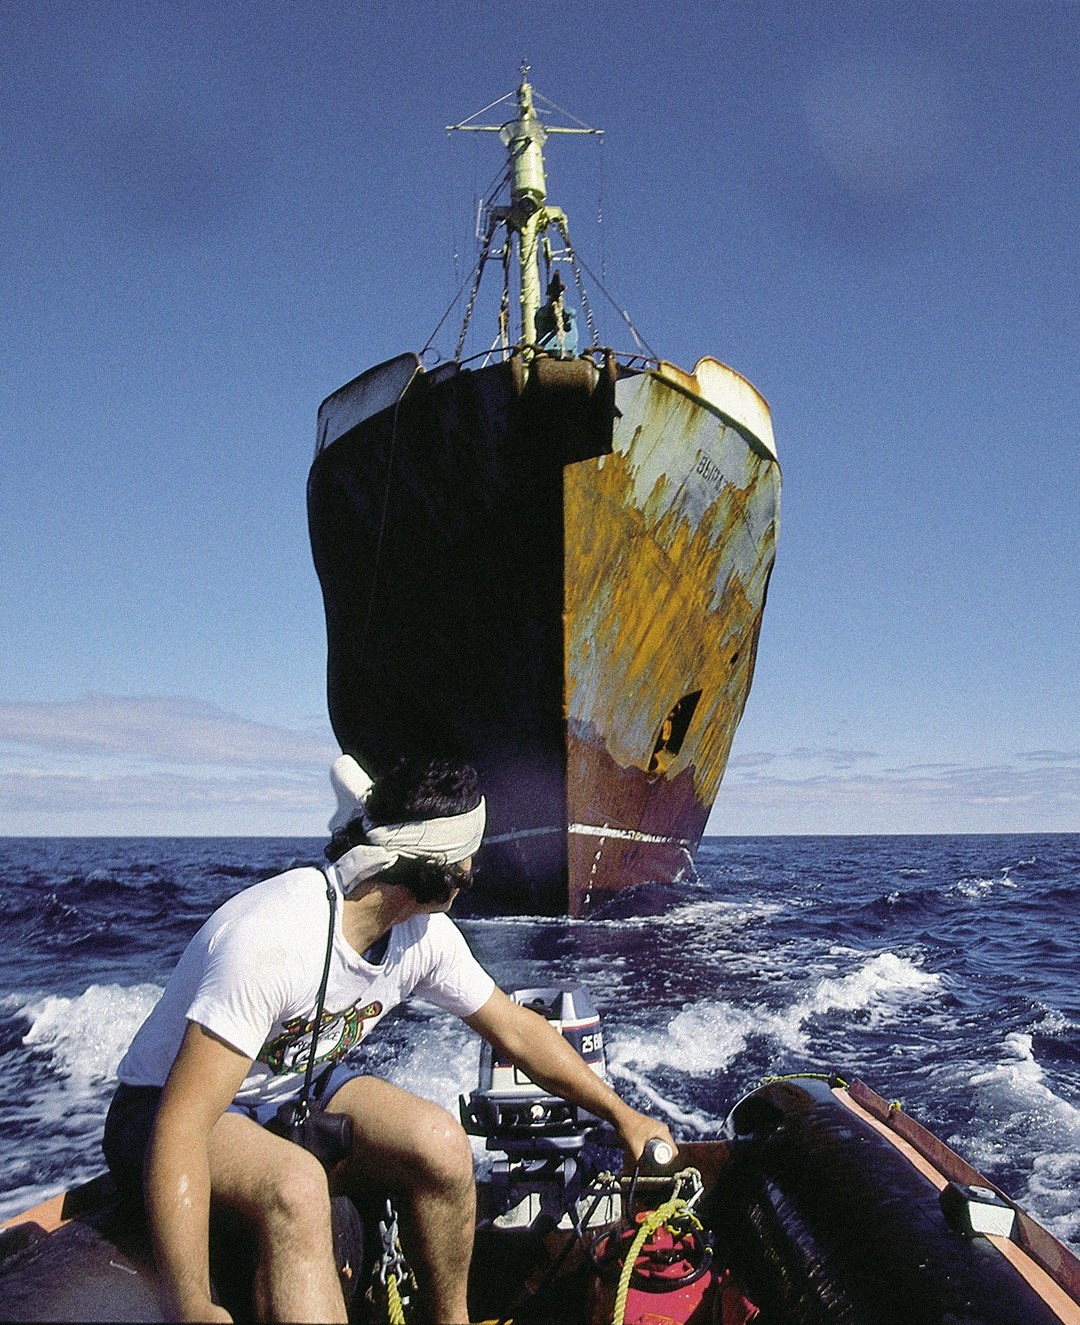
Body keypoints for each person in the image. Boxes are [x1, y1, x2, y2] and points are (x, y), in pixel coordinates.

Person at [103, 754, 676, 1324]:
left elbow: (517, 1030)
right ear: (436, 869)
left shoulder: (422, 935)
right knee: (297, 1187)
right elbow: (180, 1126)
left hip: (289, 1089)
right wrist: (190, 1305)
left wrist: (620, 1114)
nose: (474, 868)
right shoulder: (272, 940)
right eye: (466, 857)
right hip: (162, 1108)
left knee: (441, 1144)